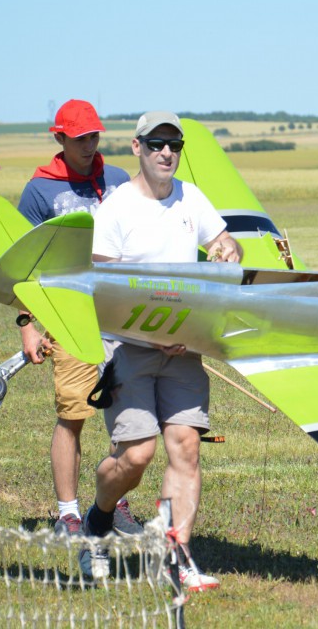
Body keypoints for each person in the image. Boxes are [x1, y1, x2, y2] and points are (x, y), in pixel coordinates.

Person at [84, 111, 242, 590]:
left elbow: (224, 240)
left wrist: (228, 250)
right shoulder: (116, 209)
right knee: (136, 456)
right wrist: (153, 335)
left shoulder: (190, 197)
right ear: (137, 147)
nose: (166, 153)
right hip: (129, 347)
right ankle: (98, 519)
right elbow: (103, 290)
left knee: (186, 447)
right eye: (156, 144)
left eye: (174, 145)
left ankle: (176, 556)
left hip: (184, 349)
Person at [17, 99, 143, 541]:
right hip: (69, 317)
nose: (90, 145)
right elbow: (23, 266)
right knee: (73, 413)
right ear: (60, 139)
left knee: (126, 412)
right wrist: (28, 326)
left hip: (122, 315)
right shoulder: (39, 191)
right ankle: (68, 514)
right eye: (80, 138)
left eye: (94, 136)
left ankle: (114, 504)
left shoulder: (119, 181)